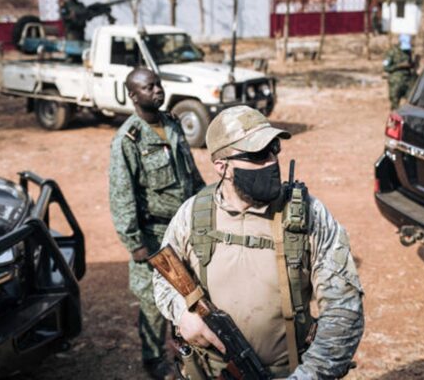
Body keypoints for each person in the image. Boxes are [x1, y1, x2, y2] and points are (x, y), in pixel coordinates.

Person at [153, 105, 364, 379]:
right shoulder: (192, 215)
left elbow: (343, 308)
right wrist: (182, 314)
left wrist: (308, 376)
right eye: (257, 155)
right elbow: (163, 278)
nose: (271, 161)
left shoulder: (307, 215)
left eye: (274, 148)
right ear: (222, 167)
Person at [109, 67, 206, 379]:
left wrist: (209, 202)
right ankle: (153, 359)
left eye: (158, 85)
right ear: (133, 95)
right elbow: (121, 193)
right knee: (152, 302)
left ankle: (189, 351)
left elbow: (190, 172)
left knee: (192, 290)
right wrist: (134, 243)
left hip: (185, 227)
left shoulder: (172, 123)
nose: (157, 91)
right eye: (148, 87)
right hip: (153, 234)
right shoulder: (128, 139)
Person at [383, 34, 415, 110]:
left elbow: (410, 63)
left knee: (411, 101)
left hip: (407, 80)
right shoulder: (392, 52)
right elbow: (386, 67)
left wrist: (411, 65)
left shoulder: (408, 51)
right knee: (395, 103)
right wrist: (399, 66)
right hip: (396, 82)